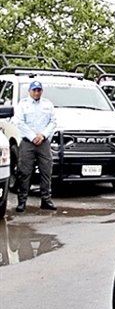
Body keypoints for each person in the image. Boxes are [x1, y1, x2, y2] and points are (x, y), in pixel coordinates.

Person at [13, 79, 58, 212]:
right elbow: (20, 123)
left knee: (46, 171)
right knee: (24, 172)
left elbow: (53, 122)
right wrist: (33, 137)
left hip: (43, 142)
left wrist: (42, 135)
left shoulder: (47, 104)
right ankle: (22, 201)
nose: (36, 93)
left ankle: (46, 200)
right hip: (28, 142)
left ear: (41, 91)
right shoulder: (23, 104)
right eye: (34, 90)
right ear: (30, 91)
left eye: (39, 90)